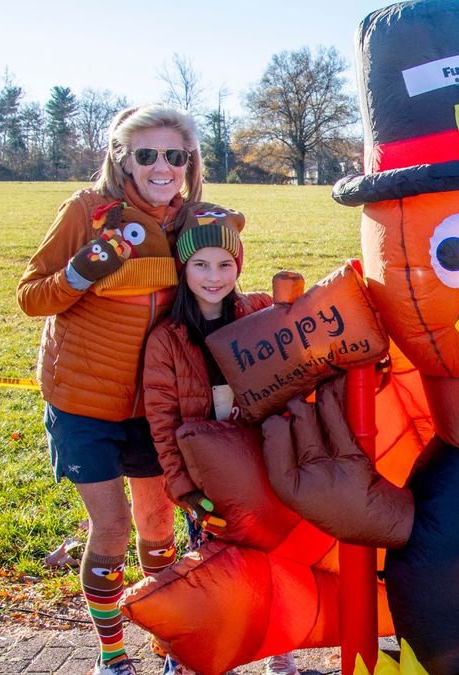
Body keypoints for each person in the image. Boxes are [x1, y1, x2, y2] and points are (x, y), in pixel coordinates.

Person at [18, 104, 202, 675]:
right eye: (146, 154)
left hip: (154, 404)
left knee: (157, 525)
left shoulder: (192, 221)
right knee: (113, 526)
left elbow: (213, 299)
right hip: (82, 401)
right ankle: (112, 656)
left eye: (175, 154)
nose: (162, 166)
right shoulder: (85, 210)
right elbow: (31, 296)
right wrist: (82, 271)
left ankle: (168, 645)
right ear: (122, 158)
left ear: (190, 161)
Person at [142, 208, 302, 675]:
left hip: (261, 462)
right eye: (201, 266)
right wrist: (183, 487)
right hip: (207, 474)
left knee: (275, 559)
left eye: (225, 265)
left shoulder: (254, 312)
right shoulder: (167, 341)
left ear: (238, 267)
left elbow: (296, 359)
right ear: (184, 269)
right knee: (213, 567)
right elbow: (163, 421)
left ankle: (280, 649)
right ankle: (201, 656)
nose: (214, 277)